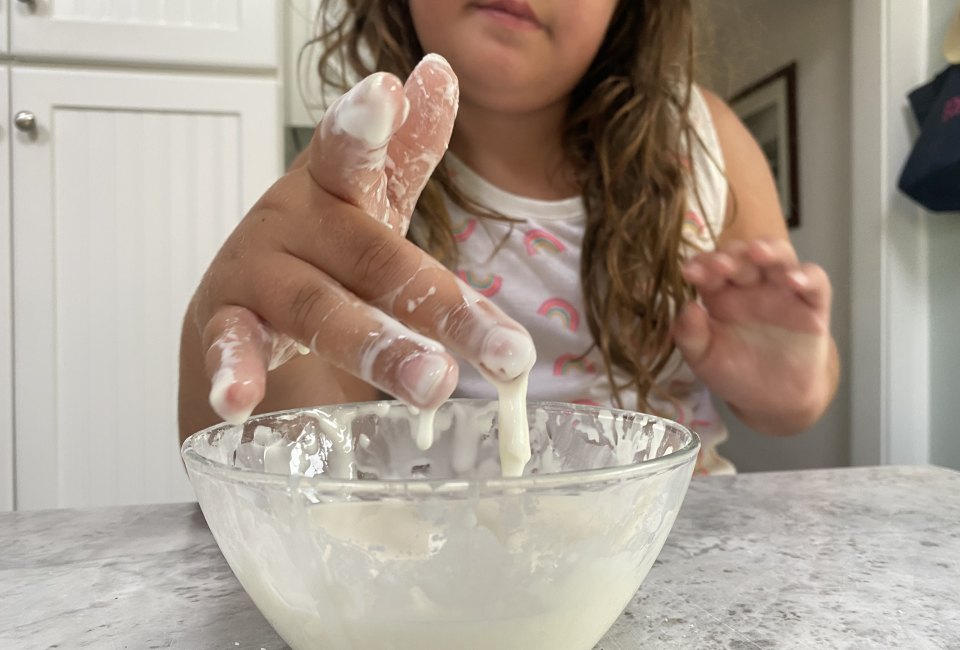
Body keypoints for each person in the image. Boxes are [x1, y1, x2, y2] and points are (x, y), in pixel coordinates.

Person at [178, 0, 839, 474]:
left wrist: (790, 388)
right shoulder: (352, 175)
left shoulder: (705, 141)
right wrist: (239, 312)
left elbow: (792, 403)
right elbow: (297, 462)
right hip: (452, 554)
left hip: (683, 535)